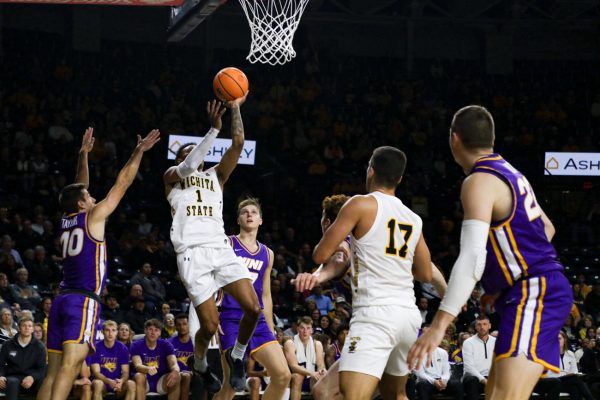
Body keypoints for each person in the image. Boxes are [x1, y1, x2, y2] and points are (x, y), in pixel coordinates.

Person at [408, 105, 574, 400]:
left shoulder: (479, 181)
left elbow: (471, 257)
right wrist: (503, 286)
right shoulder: (511, 172)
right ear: (491, 139)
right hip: (529, 290)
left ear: (454, 139)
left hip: (534, 293)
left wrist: (438, 325)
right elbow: (547, 228)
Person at [37, 127, 161, 400]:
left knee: (53, 372)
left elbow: (78, 189)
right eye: (90, 198)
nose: (94, 199)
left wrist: (83, 155)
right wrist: (137, 152)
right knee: (70, 368)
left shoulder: (67, 220)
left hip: (61, 300)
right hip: (82, 302)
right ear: (83, 205)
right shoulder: (92, 218)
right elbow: (122, 183)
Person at [311, 146, 437, 400]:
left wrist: (329, 228)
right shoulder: (413, 218)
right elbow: (424, 273)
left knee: (353, 396)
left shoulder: (360, 204)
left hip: (375, 315)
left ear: (371, 170)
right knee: (396, 395)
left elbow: (320, 255)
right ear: (400, 178)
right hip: (407, 316)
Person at [163, 95, 261, 393]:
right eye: (189, 153)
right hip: (191, 255)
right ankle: (202, 363)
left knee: (254, 309)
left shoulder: (216, 176)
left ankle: (238, 357)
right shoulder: (172, 179)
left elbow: (239, 144)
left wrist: (236, 109)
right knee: (208, 326)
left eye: (198, 152)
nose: (195, 155)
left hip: (219, 248)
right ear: (180, 159)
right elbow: (187, 165)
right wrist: (212, 131)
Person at [213, 197, 291, 400]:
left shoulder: (268, 253)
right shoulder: (226, 243)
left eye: (254, 212)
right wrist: (211, 314)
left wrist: (271, 326)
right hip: (230, 317)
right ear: (238, 219)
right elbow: (209, 278)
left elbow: (265, 293)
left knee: (283, 376)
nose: (249, 214)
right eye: (244, 212)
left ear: (261, 221)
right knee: (231, 386)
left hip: (259, 321)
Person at [131, 319, 181, 400]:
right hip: (144, 380)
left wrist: (175, 371)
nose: (153, 332)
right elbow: (137, 365)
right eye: (150, 329)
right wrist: (147, 369)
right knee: (139, 376)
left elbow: (174, 363)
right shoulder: (136, 345)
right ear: (145, 330)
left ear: (160, 333)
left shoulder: (166, 344)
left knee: (177, 375)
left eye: (156, 330)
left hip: (161, 380)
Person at [0, 316, 47, 398]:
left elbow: (42, 368)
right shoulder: (8, 344)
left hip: (31, 377)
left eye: (29, 326)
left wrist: (33, 377)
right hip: (13, 376)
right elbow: (1, 364)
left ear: (32, 329)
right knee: (12, 382)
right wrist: (1, 376)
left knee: (42, 382)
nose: (27, 328)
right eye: (24, 325)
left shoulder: (40, 347)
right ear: (19, 328)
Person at [90, 320, 135, 400]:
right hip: (102, 382)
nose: (110, 334)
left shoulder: (123, 348)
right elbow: (96, 372)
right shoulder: (96, 347)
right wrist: (108, 381)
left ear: (117, 332)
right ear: (103, 332)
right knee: (98, 384)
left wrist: (121, 381)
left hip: (117, 383)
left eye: (113, 330)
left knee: (131, 384)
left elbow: (125, 372)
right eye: (107, 330)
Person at [283, 316, 326, 400]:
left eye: (308, 328)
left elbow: (321, 365)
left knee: (322, 376)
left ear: (312, 330)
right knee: (298, 376)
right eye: (302, 328)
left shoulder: (317, 344)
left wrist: (321, 371)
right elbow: (293, 366)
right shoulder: (290, 343)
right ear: (298, 329)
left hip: (311, 377)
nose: (305, 331)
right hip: (294, 378)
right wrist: (311, 373)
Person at [461, 316, 496, 400]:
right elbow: (468, 367)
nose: (482, 327)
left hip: (491, 377)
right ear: (476, 327)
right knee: (472, 380)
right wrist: (483, 380)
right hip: (474, 378)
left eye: (484, 324)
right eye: (479, 324)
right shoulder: (468, 342)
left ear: (489, 326)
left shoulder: (496, 342)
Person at [168, 314, 194, 400]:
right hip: (175, 374)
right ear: (175, 326)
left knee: (186, 376)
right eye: (178, 324)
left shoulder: (195, 342)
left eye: (184, 324)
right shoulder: (169, 343)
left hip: (192, 375)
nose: (182, 327)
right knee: (183, 376)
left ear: (189, 325)